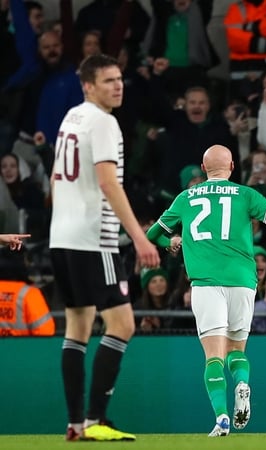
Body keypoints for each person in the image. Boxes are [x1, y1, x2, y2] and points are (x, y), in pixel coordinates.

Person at [145, 144, 266, 437]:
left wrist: (169, 243)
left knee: (213, 358)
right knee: (237, 350)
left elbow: (152, 235)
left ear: (204, 168)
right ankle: (242, 383)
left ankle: (221, 418)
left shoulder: (185, 198)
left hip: (206, 284)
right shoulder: (245, 195)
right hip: (243, 281)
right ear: (232, 167)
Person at [49, 54, 161, 442]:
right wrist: (140, 237)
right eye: (109, 80)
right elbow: (109, 183)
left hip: (61, 238)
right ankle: (96, 418)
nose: (118, 86)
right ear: (88, 86)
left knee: (78, 327)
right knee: (123, 324)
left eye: (120, 79)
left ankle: (76, 423)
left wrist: (62, 219)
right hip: (94, 241)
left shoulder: (72, 117)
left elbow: (55, 178)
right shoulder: (103, 122)